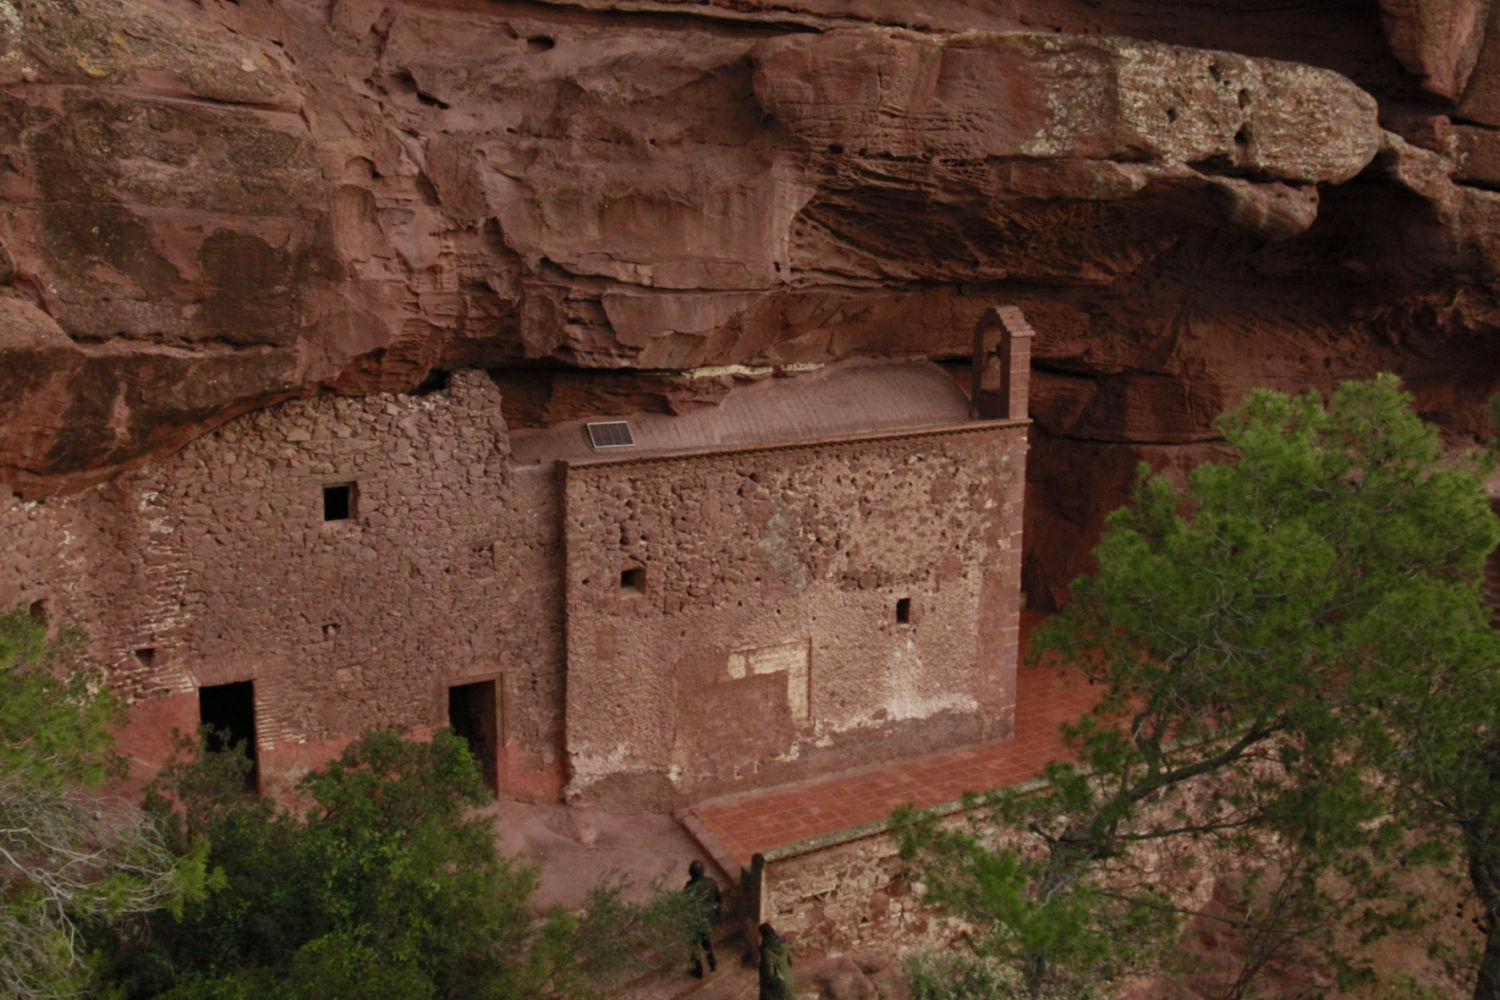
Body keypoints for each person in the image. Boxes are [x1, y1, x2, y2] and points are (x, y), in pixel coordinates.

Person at [684, 859, 722, 977]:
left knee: (694, 945)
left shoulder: (689, 888)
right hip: (709, 919)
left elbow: (687, 907)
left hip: (697, 921)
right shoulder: (711, 882)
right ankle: (712, 963)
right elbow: (719, 900)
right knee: (705, 941)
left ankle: (698, 970)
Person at [758, 922, 796, 1000]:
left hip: (778, 984)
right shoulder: (783, 944)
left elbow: (769, 973)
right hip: (788, 977)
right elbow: (790, 959)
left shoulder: (767, 950)